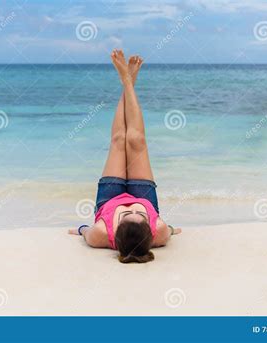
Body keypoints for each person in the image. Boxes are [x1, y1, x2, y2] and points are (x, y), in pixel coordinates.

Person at [69, 49, 182, 263]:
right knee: (136, 141)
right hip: (145, 197)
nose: (132, 209)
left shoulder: (100, 235)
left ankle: (127, 82)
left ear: (116, 232)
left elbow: (85, 231)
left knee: (120, 139)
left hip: (109, 199)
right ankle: (129, 82)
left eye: (126, 216)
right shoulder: (159, 231)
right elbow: (169, 231)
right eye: (140, 217)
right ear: (150, 229)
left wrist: (82, 229)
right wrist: (173, 230)